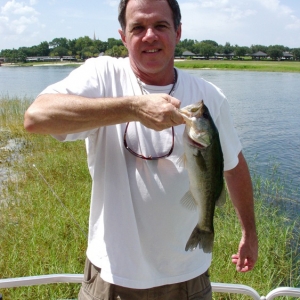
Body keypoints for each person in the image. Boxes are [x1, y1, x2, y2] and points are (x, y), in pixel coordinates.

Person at [24, 0, 258, 299]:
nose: (149, 35)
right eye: (138, 27)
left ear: (178, 32)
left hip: (188, 278)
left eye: (160, 25)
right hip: (111, 278)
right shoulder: (102, 75)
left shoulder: (209, 96)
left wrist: (249, 233)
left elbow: (233, 164)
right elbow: (36, 118)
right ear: (124, 36)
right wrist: (133, 107)